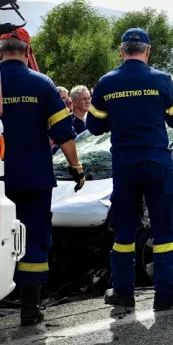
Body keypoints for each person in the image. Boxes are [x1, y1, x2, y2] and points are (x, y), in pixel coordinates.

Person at [86, 28, 173, 310]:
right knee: (164, 230)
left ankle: (123, 292)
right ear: (147, 52)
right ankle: (166, 294)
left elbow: (94, 126)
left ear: (122, 51)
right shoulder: (161, 80)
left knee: (124, 229)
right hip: (156, 163)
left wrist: (119, 118)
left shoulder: (106, 82)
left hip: (125, 165)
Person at [0, 28, 85, 326]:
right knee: (33, 237)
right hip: (34, 177)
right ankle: (29, 308)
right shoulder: (42, 84)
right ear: (26, 52)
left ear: (1, 52)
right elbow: (64, 134)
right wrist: (76, 168)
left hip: (0, 181)